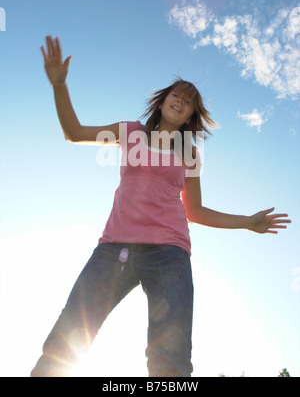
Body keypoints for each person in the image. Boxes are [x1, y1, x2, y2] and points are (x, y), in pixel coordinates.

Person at [30, 36, 290, 377]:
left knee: (170, 359)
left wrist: (247, 221)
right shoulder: (130, 131)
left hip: (169, 254)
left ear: (192, 116)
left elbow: (195, 211)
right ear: (163, 99)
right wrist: (60, 87)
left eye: (188, 102)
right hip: (114, 249)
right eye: (176, 94)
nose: (180, 101)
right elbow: (74, 132)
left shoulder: (189, 154)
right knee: (67, 337)